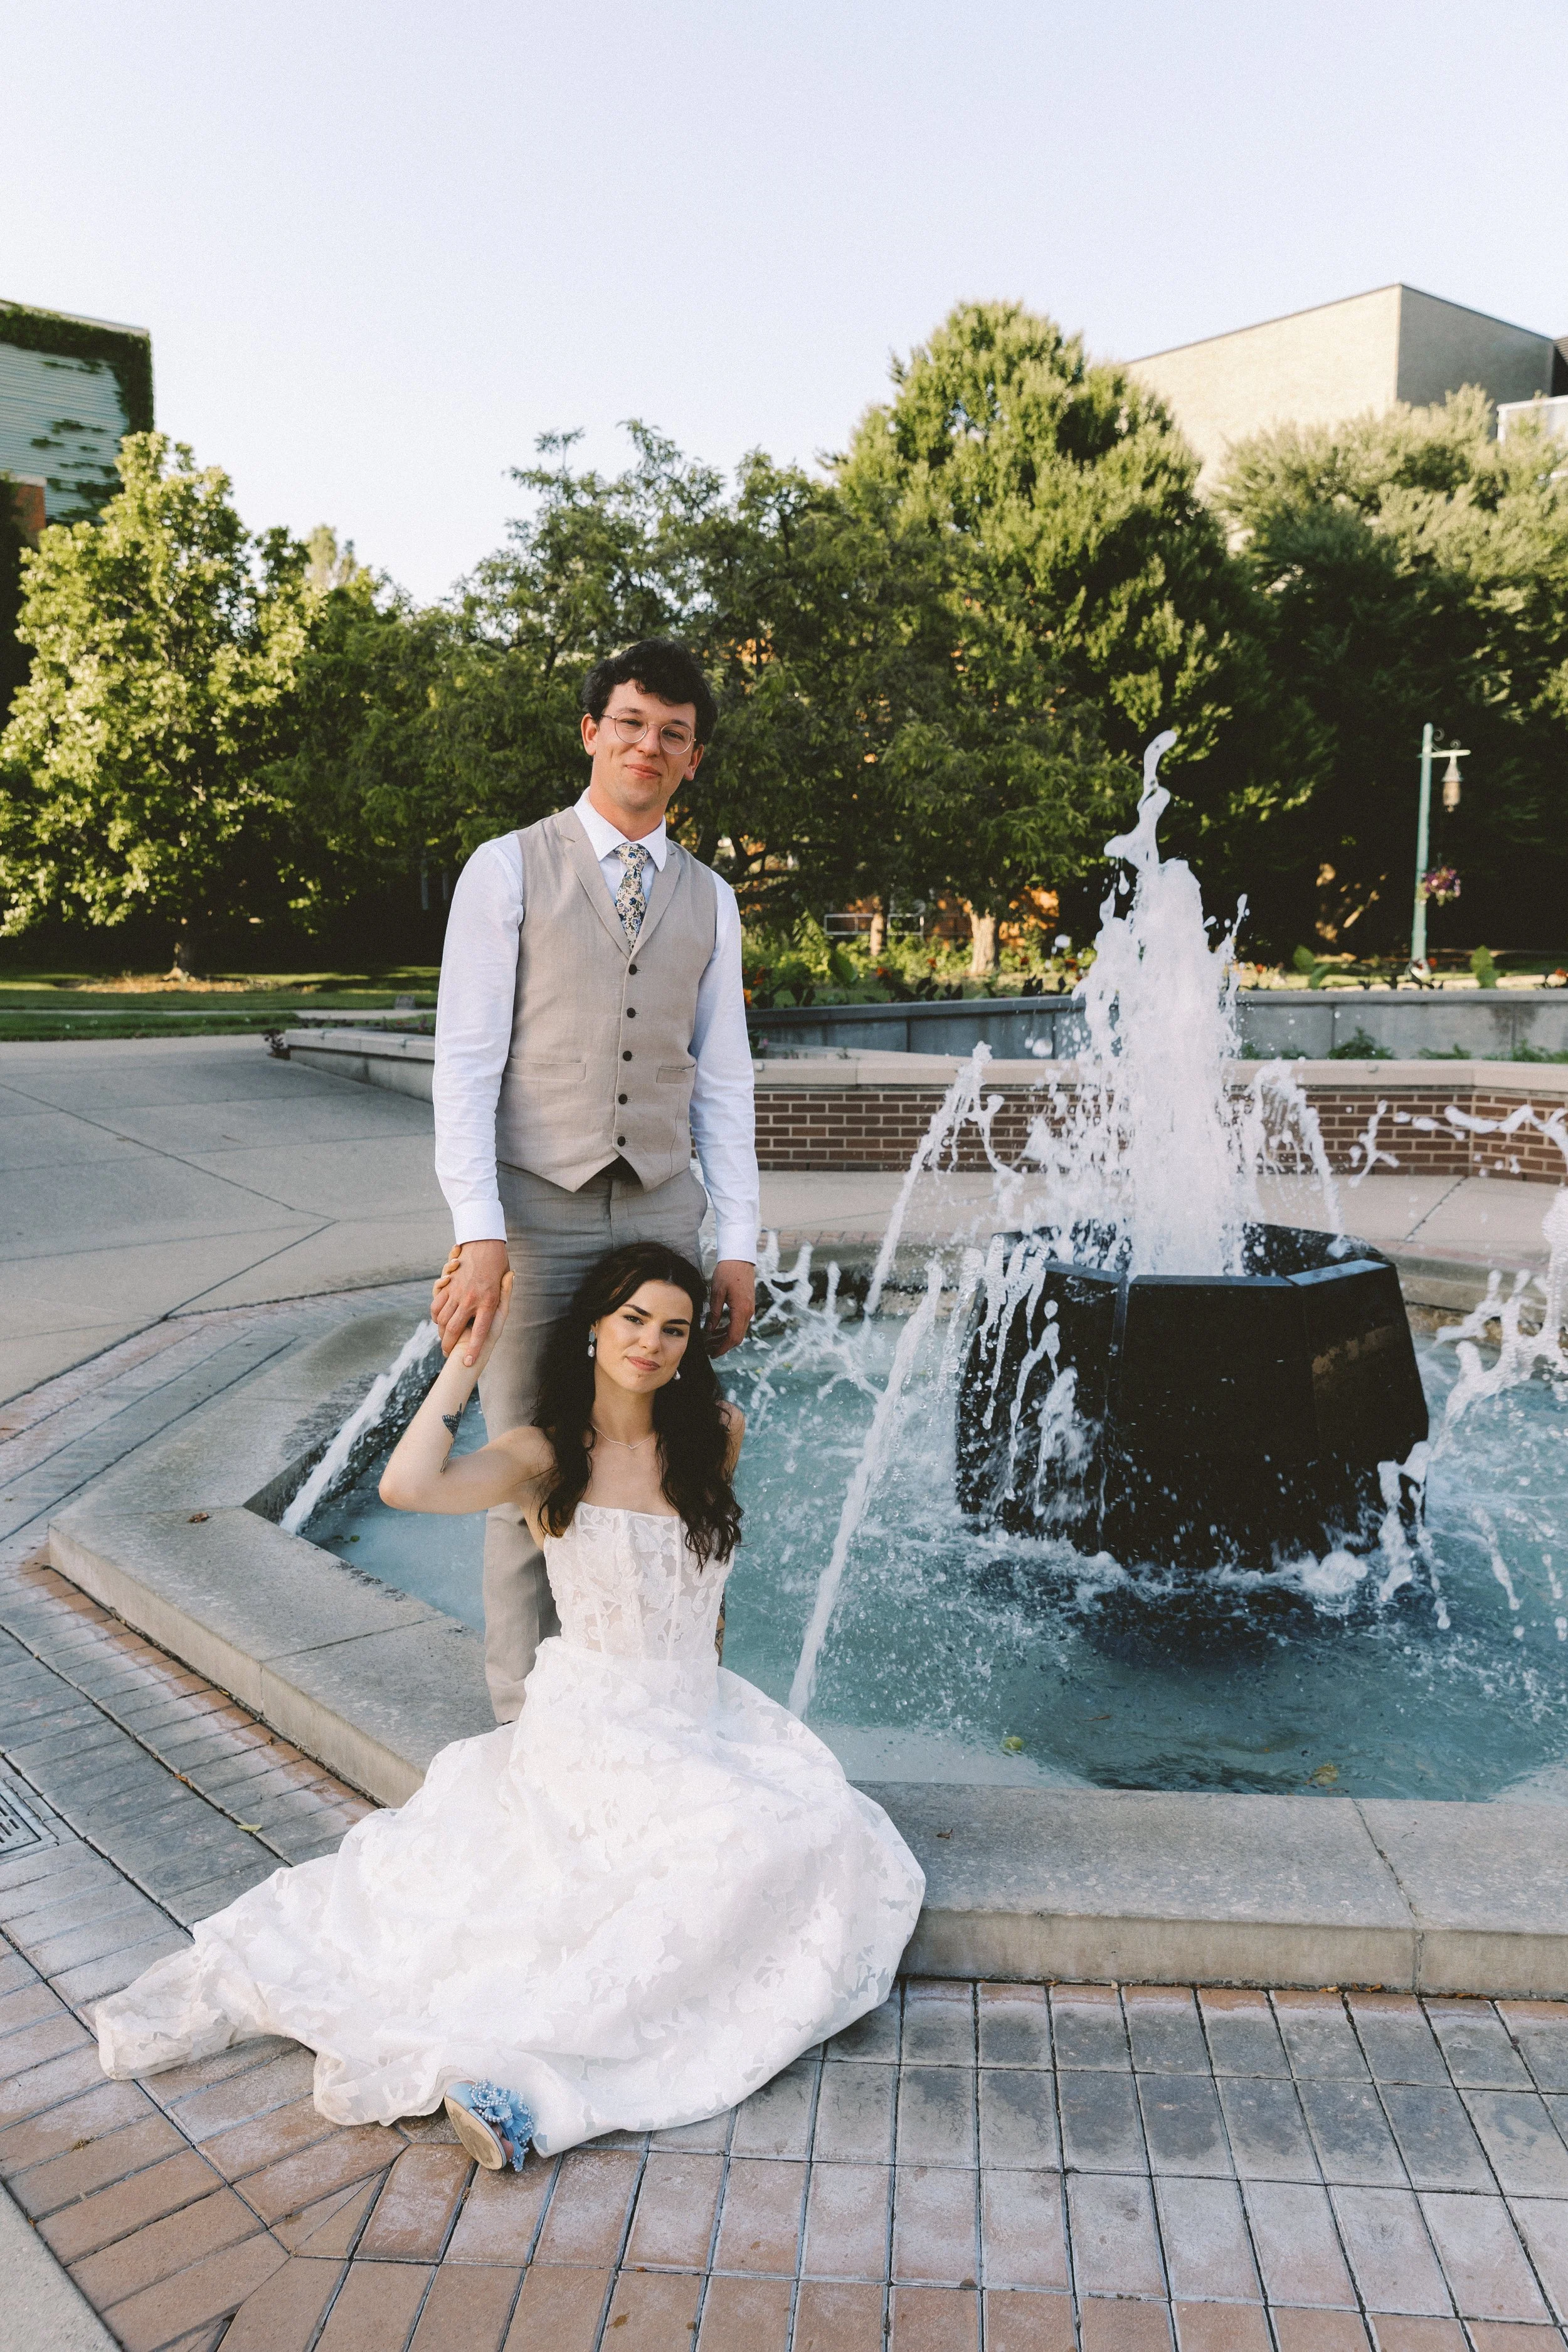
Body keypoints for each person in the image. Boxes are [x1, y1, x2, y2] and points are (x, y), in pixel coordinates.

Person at [95, 1243, 924, 2163]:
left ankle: (523, 2081)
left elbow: (707, 1598)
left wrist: (709, 1718)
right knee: (692, 1861)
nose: (651, 1343)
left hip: (695, 1708)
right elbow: (406, 1486)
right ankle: (529, 2089)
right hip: (593, 1715)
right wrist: (469, 1356)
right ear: (597, 1331)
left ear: (692, 1348)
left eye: (674, 1328)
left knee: (813, 1823)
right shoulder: (545, 1451)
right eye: (634, 1320)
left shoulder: (714, 1434)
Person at [430, 637, 760, 1726]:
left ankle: (674, 1718)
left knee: (677, 1472)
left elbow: (723, 1082)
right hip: (535, 1207)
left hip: (664, 1208)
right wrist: (480, 1231)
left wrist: (741, 1240)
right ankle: (527, 1730)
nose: (647, 746)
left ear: (693, 759)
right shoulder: (506, 867)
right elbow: (465, 1066)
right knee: (534, 1473)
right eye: (629, 723)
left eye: (672, 733)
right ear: (590, 732)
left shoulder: (713, 901)